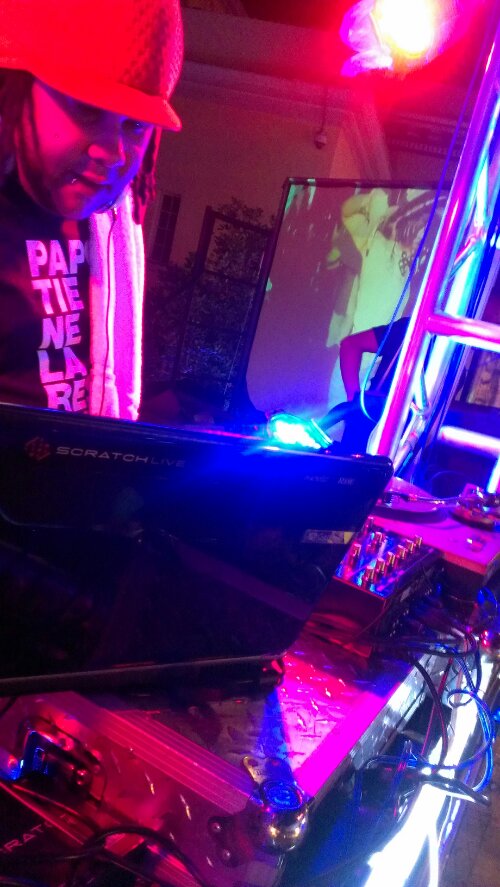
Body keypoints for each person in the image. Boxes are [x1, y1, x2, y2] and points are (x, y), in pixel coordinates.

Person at [0, 0, 183, 420]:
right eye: (86, 109)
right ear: (16, 91)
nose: (114, 153)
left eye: (135, 125)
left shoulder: (111, 222)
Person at [319, 315, 410, 452]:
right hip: (373, 420)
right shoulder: (409, 328)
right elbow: (350, 345)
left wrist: (356, 403)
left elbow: (350, 345)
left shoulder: (408, 327)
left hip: (374, 420)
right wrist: (356, 401)